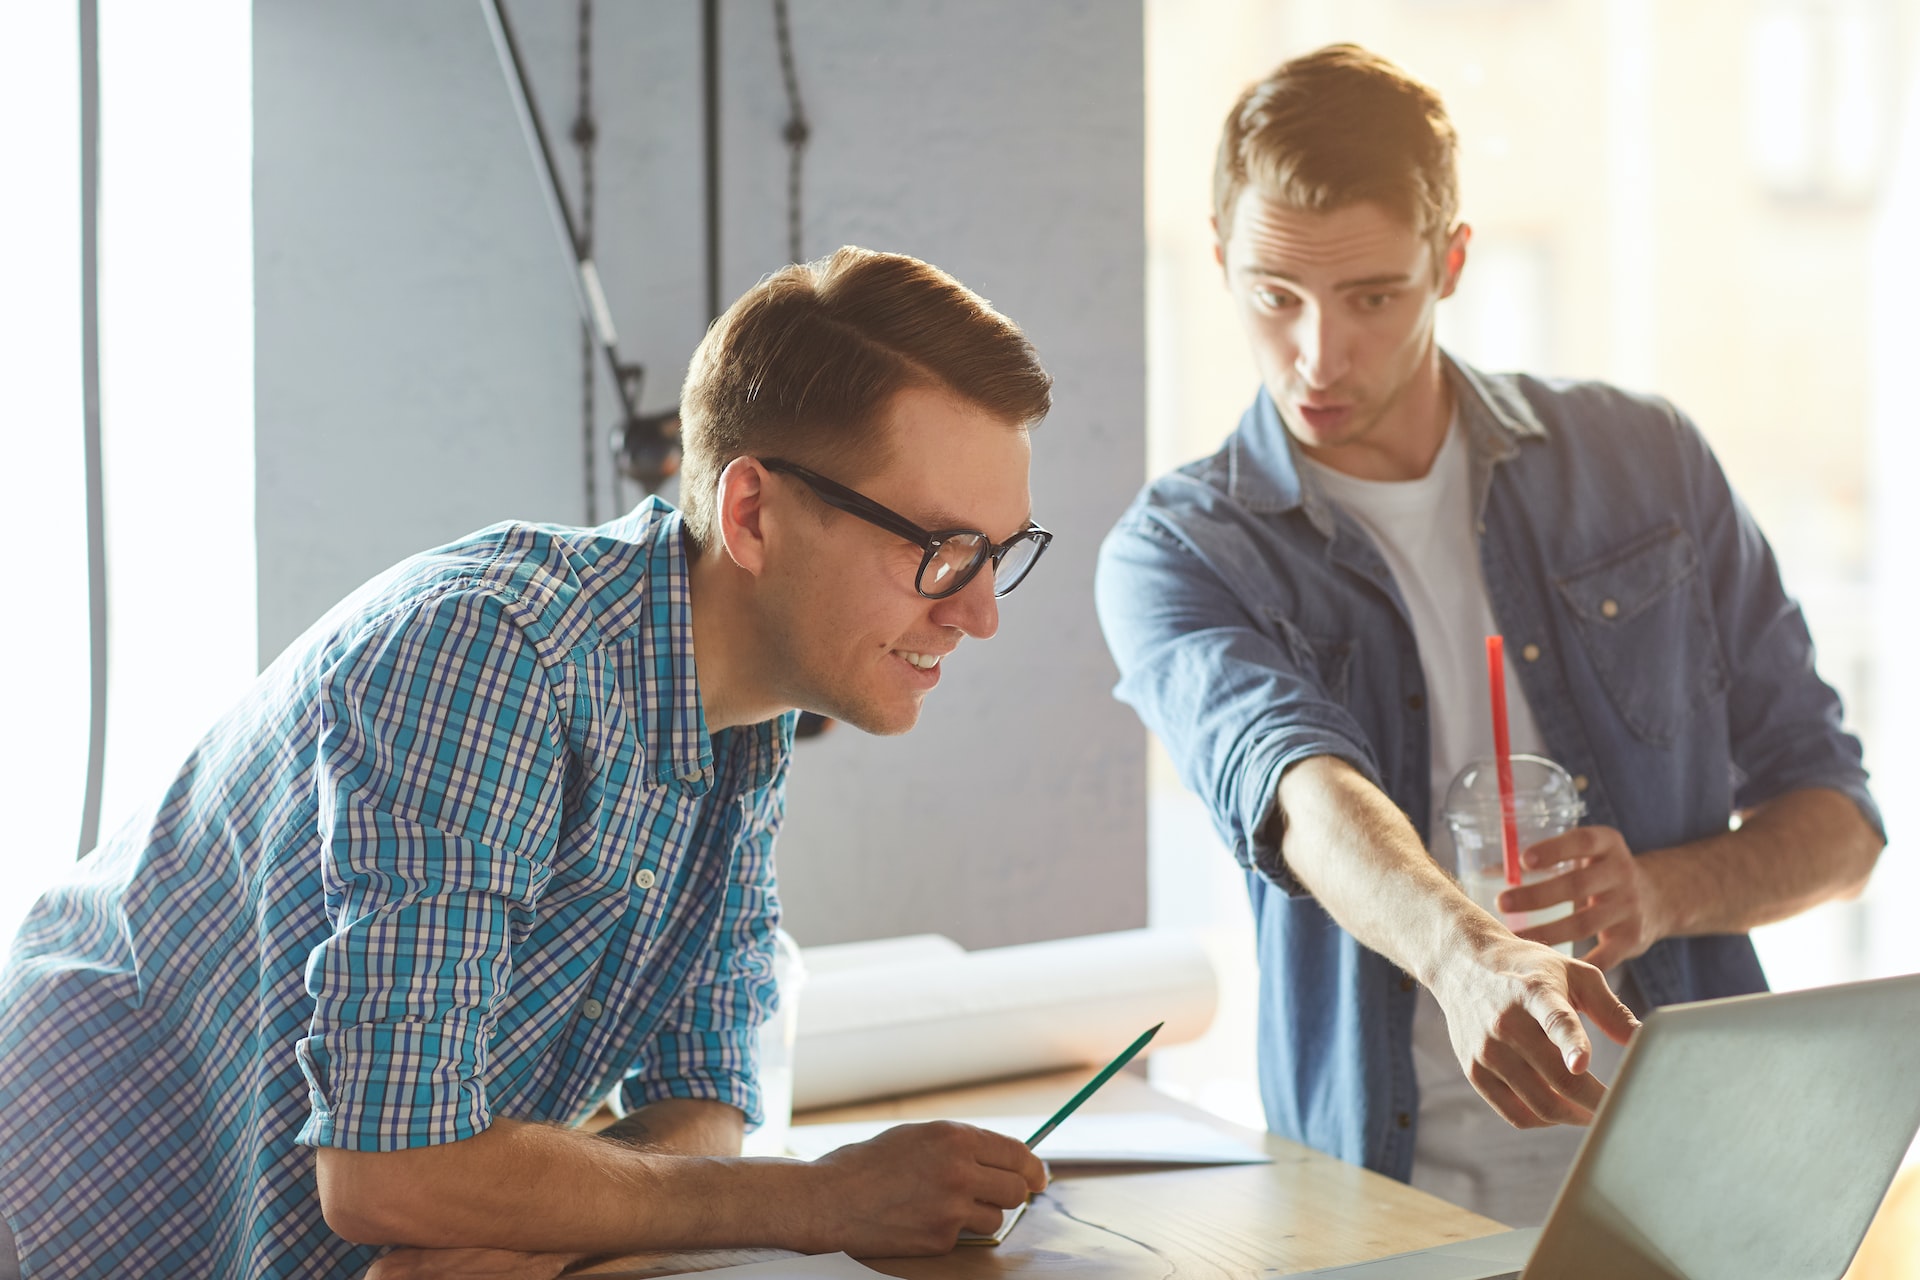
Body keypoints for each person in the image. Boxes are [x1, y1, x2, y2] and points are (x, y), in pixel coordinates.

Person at [0, 247, 1057, 1280]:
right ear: (750, 514)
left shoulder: (744, 719)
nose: (979, 612)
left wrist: (539, 1228)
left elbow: (705, 1097)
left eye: (1000, 553)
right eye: (942, 547)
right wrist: (821, 1200)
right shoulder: (493, 653)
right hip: (66, 1221)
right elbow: (388, 1172)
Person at [1094, 45, 1884, 1226]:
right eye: (1274, 295)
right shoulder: (1182, 550)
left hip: (1704, 1186)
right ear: (1219, 259)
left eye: (1373, 296)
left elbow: (1840, 824)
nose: (1320, 354)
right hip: (1381, 1203)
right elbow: (1298, 787)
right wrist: (1470, 959)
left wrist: (1658, 895)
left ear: (1451, 260)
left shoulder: (1647, 462)